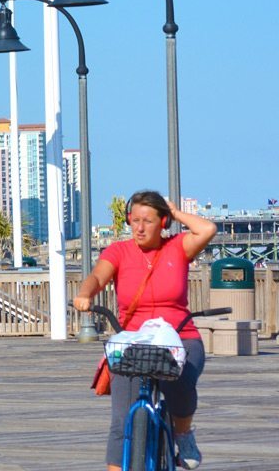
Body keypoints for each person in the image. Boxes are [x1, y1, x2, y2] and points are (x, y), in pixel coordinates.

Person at [74, 190, 218, 471]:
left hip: (180, 335)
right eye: (135, 220)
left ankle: (183, 435)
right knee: (120, 421)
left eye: (148, 221)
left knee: (181, 381)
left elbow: (208, 228)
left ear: (162, 223)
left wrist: (176, 213)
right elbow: (97, 276)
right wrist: (85, 294)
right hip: (134, 338)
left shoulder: (178, 247)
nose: (139, 227)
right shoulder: (119, 251)